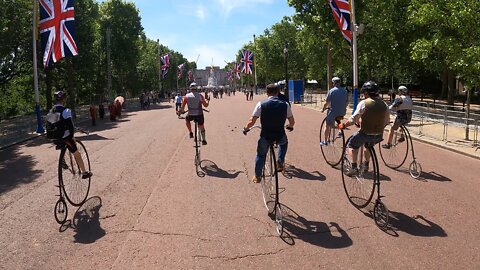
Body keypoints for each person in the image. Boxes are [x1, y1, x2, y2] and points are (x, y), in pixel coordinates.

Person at [243, 83, 295, 183]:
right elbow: (292, 121)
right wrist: (290, 126)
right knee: (284, 144)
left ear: (267, 93)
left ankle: (257, 176)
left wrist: (245, 128)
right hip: (280, 134)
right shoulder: (285, 104)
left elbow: (252, 121)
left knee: (261, 155)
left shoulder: (261, 104)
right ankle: (280, 161)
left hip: (266, 135)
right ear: (278, 92)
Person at [338, 81, 389, 177]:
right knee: (368, 146)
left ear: (366, 93)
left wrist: (344, 125)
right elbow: (386, 122)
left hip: (365, 133)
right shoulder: (384, 105)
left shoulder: (364, 103)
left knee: (352, 145)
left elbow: (354, 119)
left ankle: (353, 167)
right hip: (378, 135)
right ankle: (366, 164)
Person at [51, 91, 93, 179]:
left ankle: (62, 159)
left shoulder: (52, 111)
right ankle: (84, 172)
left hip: (54, 138)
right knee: (76, 153)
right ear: (64, 100)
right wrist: (72, 138)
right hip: (65, 137)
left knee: (62, 143)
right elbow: (70, 127)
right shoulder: (66, 110)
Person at [320, 77, 348, 146]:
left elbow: (326, 102)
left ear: (333, 83)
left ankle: (325, 141)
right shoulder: (345, 91)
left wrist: (323, 109)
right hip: (342, 112)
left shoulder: (332, 91)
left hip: (333, 112)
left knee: (327, 125)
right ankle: (340, 130)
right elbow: (346, 102)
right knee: (338, 119)